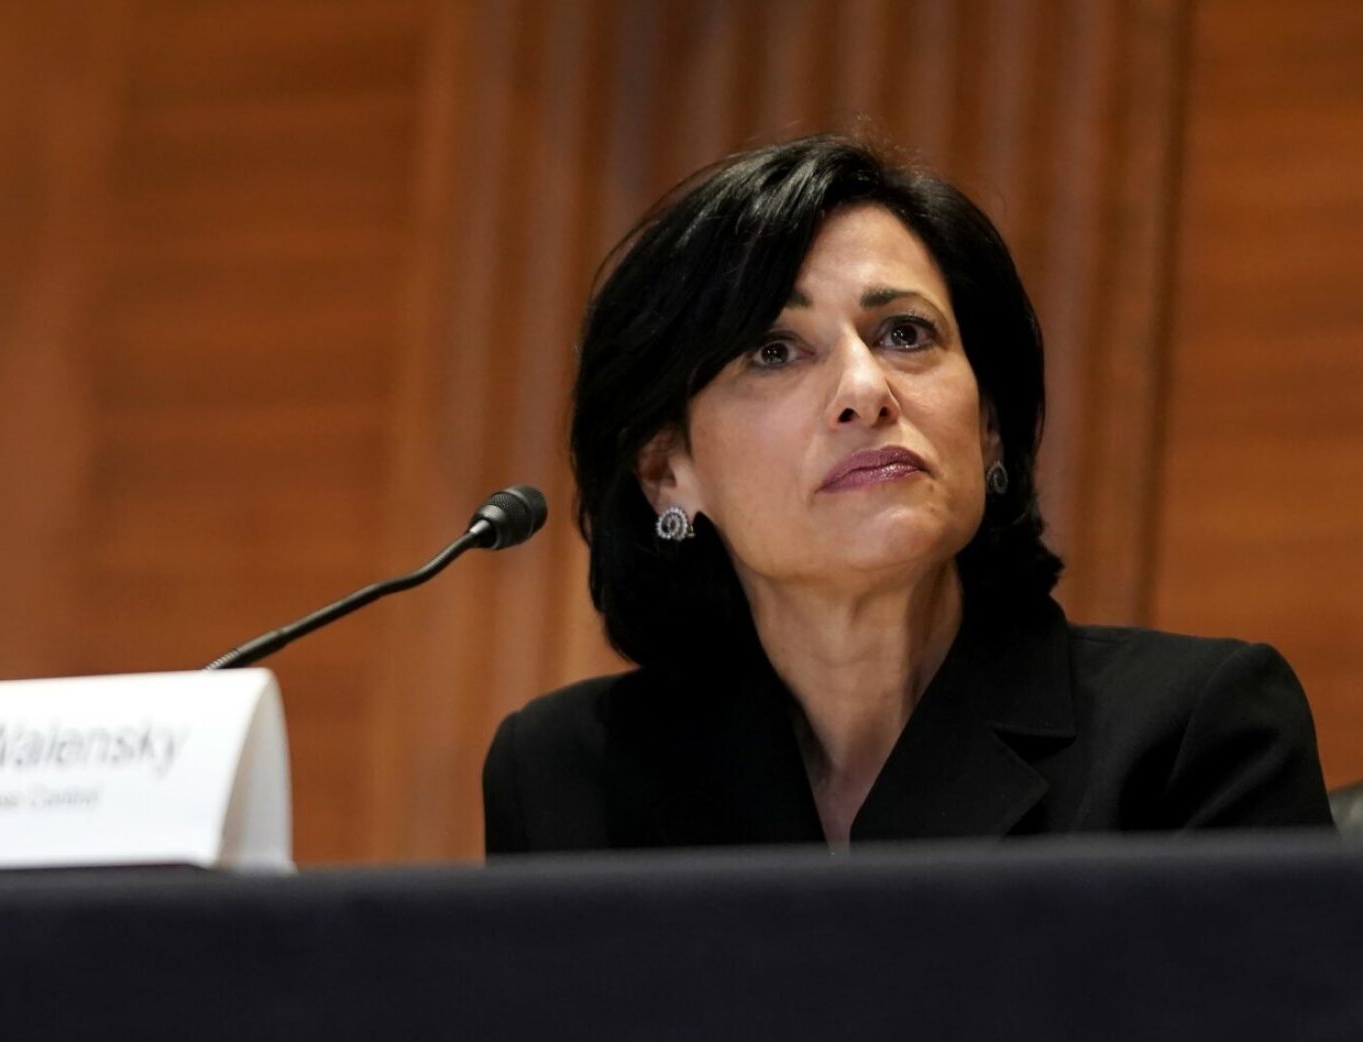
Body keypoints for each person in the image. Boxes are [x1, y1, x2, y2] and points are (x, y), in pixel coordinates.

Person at [483, 134, 1332, 853]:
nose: (865, 387)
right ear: (668, 470)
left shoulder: (1193, 738)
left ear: (990, 427)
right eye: (775, 350)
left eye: (905, 334)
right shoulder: (566, 779)